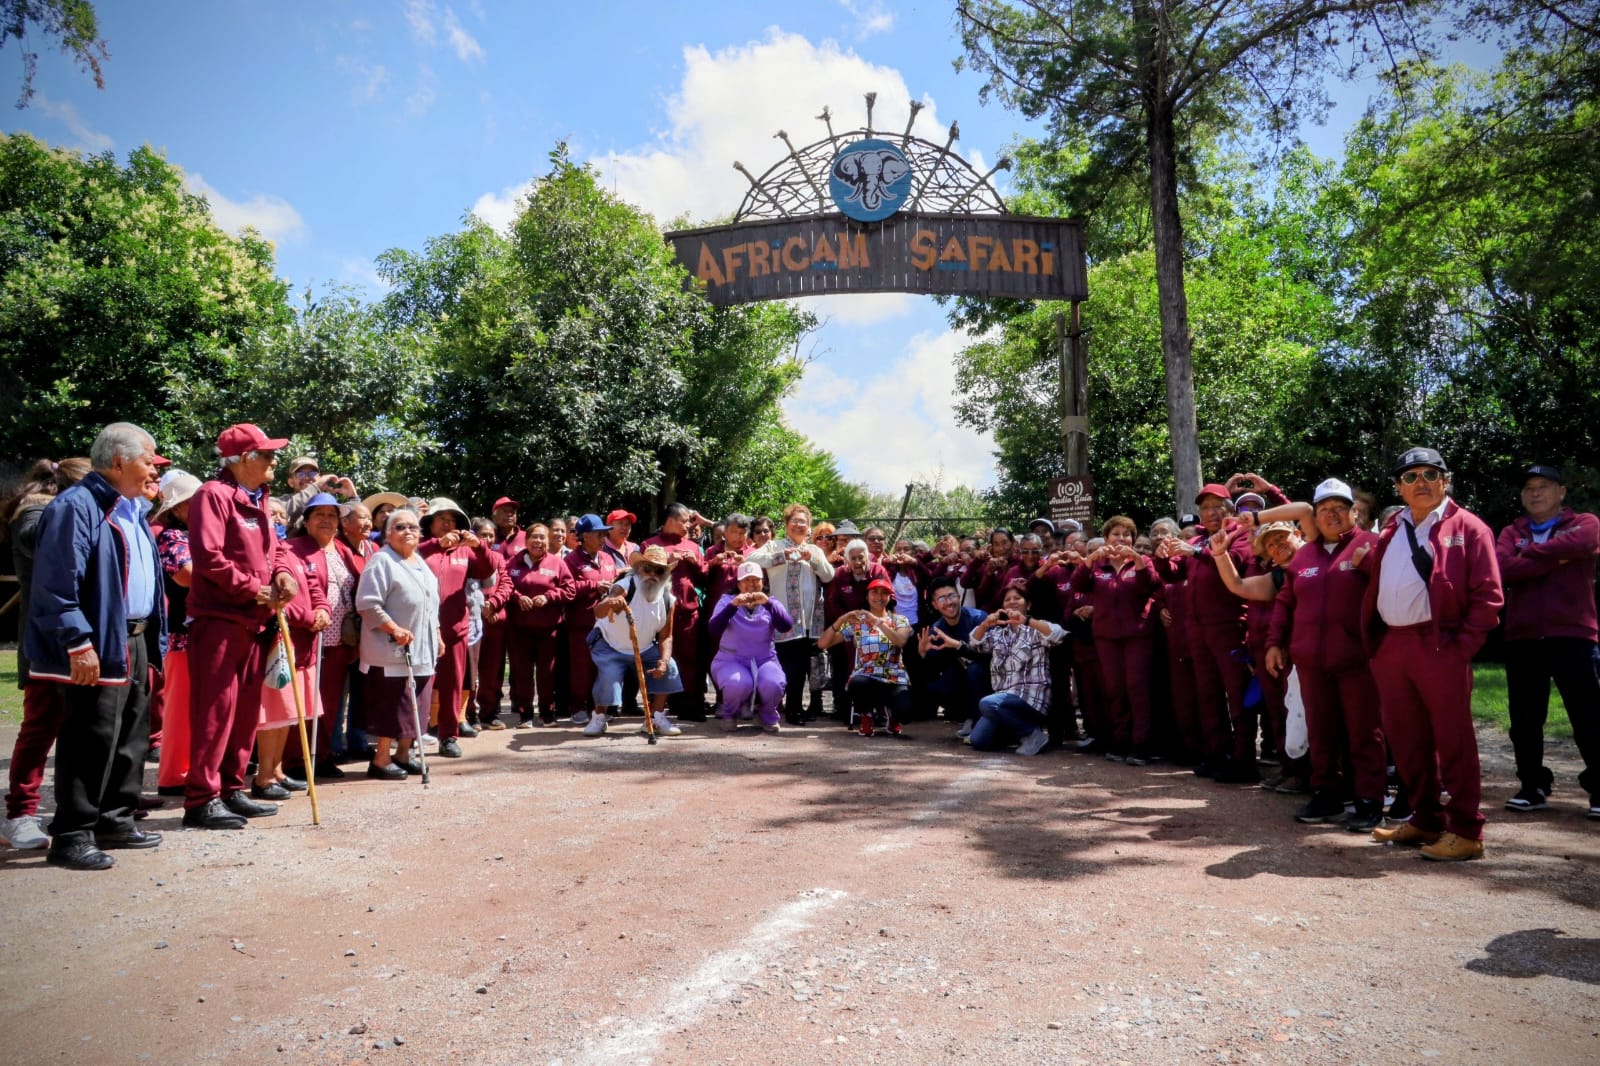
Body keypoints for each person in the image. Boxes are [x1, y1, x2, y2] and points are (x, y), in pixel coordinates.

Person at [22, 424, 167, 869]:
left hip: (134, 637)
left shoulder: (132, 509)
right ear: (119, 461)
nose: (154, 471)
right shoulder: (76, 507)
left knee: (130, 735)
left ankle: (115, 819)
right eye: (149, 461)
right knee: (90, 736)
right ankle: (72, 833)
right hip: (100, 638)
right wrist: (77, 641)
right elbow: (56, 584)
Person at [1363, 447, 1503, 861]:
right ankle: (1426, 818)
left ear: (1445, 480)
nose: (1420, 482)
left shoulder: (1468, 526)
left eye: (1429, 474)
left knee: (1452, 737)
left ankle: (1466, 830)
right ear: (1398, 488)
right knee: (1405, 737)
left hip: (1439, 643)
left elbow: (1488, 597)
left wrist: (1460, 649)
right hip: (1394, 643)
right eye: (1409, 477)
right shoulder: (1393, 527)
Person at [185, 423, 299, 830]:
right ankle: (202, 797)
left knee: (247, 710)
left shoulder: (261, 497)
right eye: (268, 455)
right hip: (221, 620)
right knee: (215, 711)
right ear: (245, 459)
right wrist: (256, 589)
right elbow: (210, 559)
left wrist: (284, 575)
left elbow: (279, 548)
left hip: (256, 621)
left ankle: (232, 789)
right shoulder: (212, 495)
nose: (274, 461)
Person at [1264, 480, 1386, 831]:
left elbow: (1388, 593)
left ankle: (1368, 799)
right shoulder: (1304, 555)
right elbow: (1286, 602)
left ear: (1353, 512)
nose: (1331, 516)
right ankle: (1327, 794)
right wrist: (1275, 642)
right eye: (1323, 510)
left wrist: (1369, 564)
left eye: (1338, 509)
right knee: (1321, 731)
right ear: (1314, 517)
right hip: (1312, 662)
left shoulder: (1371, 546)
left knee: (1364, 732)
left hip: (1357, 660)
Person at [1495, 464, 1600, 818]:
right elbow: (1503, 568)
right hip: (1523, 637)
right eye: (1528, 488)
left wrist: (1531, 556)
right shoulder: (1512, 531)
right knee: (1525, 719)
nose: (1535, 493)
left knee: (1588, 715)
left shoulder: (1584, 523)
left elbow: (1585, 543)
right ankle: (1532, 786)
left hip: (1574, 634)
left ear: (1561, 492)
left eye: (1543, 486)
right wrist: (1558, 557)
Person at [0, 458, 91, 852]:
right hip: (45, 640)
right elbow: (55, 555)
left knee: (84, 725)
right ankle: (19, 813)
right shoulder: (35, 514)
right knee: (41, 726)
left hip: (76, 636)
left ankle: (88, 807)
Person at [1155, 483, 1258, 783]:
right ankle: (1218, 754)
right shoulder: (1198, 539)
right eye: (1205, 507)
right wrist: (1163, 555)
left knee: (1237, 696)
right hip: (1197, 629)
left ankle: (1244, 759)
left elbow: (1236, 565)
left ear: (1229, 509)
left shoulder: (1239, 535)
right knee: (1208, 695)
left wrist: (1196, 551)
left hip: (1228, 626)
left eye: (1217, 506)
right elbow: (1173, 574)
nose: (1211, 512)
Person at [355, 508, 440, 780]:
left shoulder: (420, 562)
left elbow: (430, 605)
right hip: (390, 650)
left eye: (413, 527)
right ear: (388, 533)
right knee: (392, 705)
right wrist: (394, 628)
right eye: (400, 527)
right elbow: (367, 604)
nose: (408, 532)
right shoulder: (381, 561)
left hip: (422, 648)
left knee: (417, 704)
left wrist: (436, 635)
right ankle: (380, 759)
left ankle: (404, 754)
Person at [933, 580, 1064, 754]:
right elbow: (975, 642)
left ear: (1029, 605)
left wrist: (1027, 621)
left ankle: (1033, 734)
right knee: (978, 740)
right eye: (1007, 599)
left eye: (1017, 598)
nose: (1012, 602)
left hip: (1030, 699)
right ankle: (1019, 731)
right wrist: (985, 624)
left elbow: (1058, 634)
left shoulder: (1036, 629)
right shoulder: (998, 633)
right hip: (1003, 701)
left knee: (987, 703)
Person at [1071, 517, 1162, 764]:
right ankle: (1120, 741)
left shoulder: (1142, 563)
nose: (1121, 539)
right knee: (1115, 689)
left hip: (1137, 637)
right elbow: (1078, 584)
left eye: (1126, 535)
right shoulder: (1099, 566)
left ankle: (1141, 744)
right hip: (1106, 637)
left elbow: (1151, 585)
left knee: (1137, 688)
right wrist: (1090, 559)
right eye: (1115, 534)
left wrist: (1139, 559)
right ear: (1107, 538)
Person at [284, 492, 361, 781]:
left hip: (339, 641)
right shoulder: (292, 548)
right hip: (306, 636)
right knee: (302, 702)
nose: (326, 521)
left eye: (332, 515)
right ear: (306, 521)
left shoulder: (342, 550)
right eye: (320, 515)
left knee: (329, 704)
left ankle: (322, 755)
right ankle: (294, 760)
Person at [252, 520, 329, 800]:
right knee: (274, 713)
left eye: (282, 517)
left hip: (303, 643)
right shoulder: (266, 555)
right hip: (280, 640)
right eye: (273, 516)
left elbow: (315, 586)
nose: (278, 521)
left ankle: (277, 770)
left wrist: (323, 609)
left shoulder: (294, 552)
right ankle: (263, 776)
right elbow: (281, 602)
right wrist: (309, 618)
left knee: (289, 713)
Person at [418, 497, 496, 755]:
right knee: (420, 683)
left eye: (452, 521)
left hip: (455, 628)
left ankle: (448, 736)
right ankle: (411, 735)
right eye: (441, 519)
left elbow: (486, 571)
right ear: (430, 524)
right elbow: (410, 557)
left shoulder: (465, 552)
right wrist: (436, 545)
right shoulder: (420, 547)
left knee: (452, 684)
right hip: (420, 629)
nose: (447, 524)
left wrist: (480, 546)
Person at [748, 503, 836, 726]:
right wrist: (780, 556)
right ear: (786, 524)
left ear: (809, 527)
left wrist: (813, 560)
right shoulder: (774, 545)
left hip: (811, 620)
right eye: (795, 521)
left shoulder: (814, 550)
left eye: (804, 522)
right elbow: (750, 560)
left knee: (807, 666)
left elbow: (828, 575)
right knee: (790, 666)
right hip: (786, 618)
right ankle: (787, 709)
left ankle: (800, 707)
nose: (799, 525)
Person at [586, 545, 685, 738]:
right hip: (610, 645)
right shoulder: (625, 585)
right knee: (609, 676)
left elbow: (666, 636)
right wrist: (610, 603)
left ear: (666, 573)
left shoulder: (668, 599)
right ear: (639, 568)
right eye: (648, 568)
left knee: (670, 667)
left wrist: (663, 662)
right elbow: (598, 612)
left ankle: (655, 718)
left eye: (659, 570)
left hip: (645, 647)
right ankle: (599, 717)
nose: (653, 574)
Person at [149, 474, 200, 797]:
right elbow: (186, 575)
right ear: (179, 507)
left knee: (191, 706)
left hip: (195, 632)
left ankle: (189, 768)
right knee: (180, 707)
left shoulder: (191, 535)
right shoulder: (172, 536)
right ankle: (172, 775)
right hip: (182, 633)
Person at [706, 561, 795, 732]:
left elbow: (786, 626)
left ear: (763, 583)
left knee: (774, 684)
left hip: (764, 659)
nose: (752, 584)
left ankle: (766, 715)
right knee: (738, 684)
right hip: (731, 659)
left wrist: (768, 604)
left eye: (756, 580)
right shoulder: (727, 601)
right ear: (739, 584)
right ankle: (730, 714)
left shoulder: (771, 602)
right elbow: (714, 628)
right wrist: (733, 607)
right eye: (746, 580)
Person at [818, 576, 912, 736]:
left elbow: (901, 641)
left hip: (894, 679)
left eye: (884, 593)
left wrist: (877, 621)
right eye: (874, 592)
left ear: (890, 597)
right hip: (867, 677)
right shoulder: (858, 624)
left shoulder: (899, 620)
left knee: (906, 713)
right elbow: (823, 644)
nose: (879, 597)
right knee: (857, 683)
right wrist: (841, 619)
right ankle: (866, 715)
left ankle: (893, 715)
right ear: (867, 596)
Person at [643, 503, 709, 718]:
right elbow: (642, 578)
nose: (689, 525)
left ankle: (690, 704)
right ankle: (658, 706)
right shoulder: (649, 545)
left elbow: (705, 578)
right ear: (671, 520)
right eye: (685, 520)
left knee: (691, 659)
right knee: (661, 658)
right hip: (659, 613)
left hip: (689, 612)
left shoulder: (692, 546)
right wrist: (667, 564)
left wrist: (696, 563)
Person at [506, 523, 574, 725]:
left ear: (548, 541)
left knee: (547, 674)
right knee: (522, 673)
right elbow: (504, 586)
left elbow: (569, 590)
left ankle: (547, 713)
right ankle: (525, 714)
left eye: (542, 537)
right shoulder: (513, 562)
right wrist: (517, 597)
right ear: (526, 541)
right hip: (520, 629)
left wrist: (549, 597)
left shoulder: (557, 563)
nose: (538, 541)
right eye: (534, 537)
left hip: (548, 630)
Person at [823, 537, 890, 723]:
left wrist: (872, 621)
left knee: (875, 665)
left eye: (861, 557)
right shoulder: (840, 574)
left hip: (874, 624)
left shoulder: (879, 571)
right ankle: (845, 709)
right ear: (846, 560)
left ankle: (878, 710)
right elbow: (832, 603)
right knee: (843, 666)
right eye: (853, 558)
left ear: (868, 557)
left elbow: (887, 597)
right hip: (848, 625)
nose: (858, 562)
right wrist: (849, 621)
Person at [563, 514, 619, 724]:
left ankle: (600, 709)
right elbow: (565, 589)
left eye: (604, 534)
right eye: (599, 534)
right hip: (582, 623)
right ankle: (578, 707)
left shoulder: (607, 558)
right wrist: (593, 586)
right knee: (581, 667)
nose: (603, 538)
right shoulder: (571, 560)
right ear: (585, 536)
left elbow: (613, 580)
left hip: (607, 623)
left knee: (603, 666)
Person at [916, 576, 989, 734]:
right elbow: (934, 666)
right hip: (964, 679)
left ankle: (980, 722)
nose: (949, 602)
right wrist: (923, 653)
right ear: (935, 605)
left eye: (952, 596)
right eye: (942, 598)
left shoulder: (979, 619)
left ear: (958, 596)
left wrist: (958, 645)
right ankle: (967, 716)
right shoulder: (937, 629)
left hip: (989, 677)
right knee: (938, 686)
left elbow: (991, 655)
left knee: (974, 670)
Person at [476, 496, 525, 728]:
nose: (510, 514)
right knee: (489, 666)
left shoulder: (526, 538)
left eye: (513, 511)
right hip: (487, 614)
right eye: (504, 511)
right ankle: (488, 709)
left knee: (520, 663)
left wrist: (496, 602)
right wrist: (491, 605)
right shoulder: (483, 539)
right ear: (493, 514)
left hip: (520, 611)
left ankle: (521, 706)